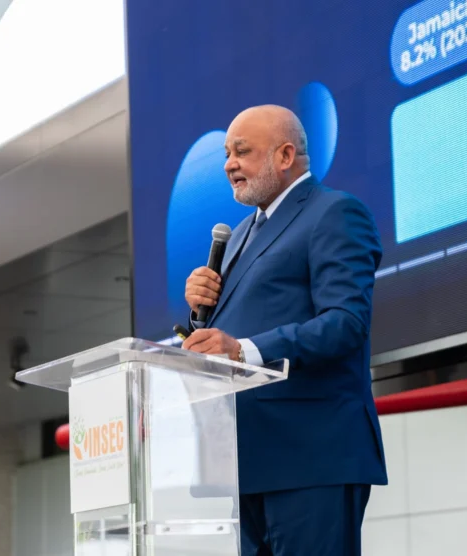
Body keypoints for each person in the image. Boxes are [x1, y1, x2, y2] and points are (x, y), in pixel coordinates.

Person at [182, 104, 387, 555]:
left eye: (242, 151)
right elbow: (234, 332)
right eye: (226, 154)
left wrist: (243, 350)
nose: (228, 164)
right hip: (245, 460)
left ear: (285, 155)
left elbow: (346, 322)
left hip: (312, 455)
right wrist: (201, 315)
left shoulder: (335, 212)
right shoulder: (239, 234)